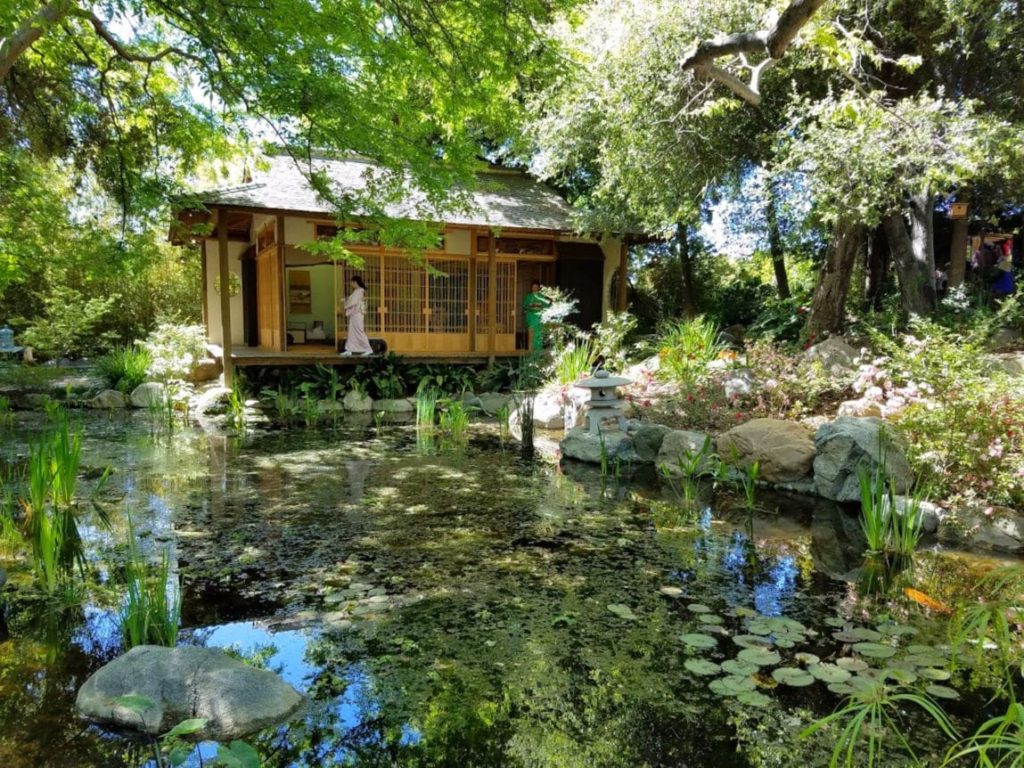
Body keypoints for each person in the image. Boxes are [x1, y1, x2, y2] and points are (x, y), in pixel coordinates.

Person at [341, 276, 373, 357]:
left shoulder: (359, 291)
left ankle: (368, 349)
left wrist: (346, 303)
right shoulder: (358, 291)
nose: (351, 284)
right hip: (355, 314)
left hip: (357, 314)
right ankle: (349, 350)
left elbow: (353, 302)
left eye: (352, 282)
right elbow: (353, 300)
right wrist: (347, 300)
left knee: (359, 331)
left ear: (355, 282)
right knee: (352, 332)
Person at [522, 281, 551, 352]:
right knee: (531, 333)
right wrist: (529, 307)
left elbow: (547, 305)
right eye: (533, 287)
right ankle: (530, 350)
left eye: (536, 287)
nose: (534, 288)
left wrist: (541, 308)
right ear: (531, 288)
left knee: (538, 334)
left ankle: (538, 350)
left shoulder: (542, 296)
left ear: (538, 288)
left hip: (539, 317)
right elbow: (524, 306)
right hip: (531, 316)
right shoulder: (528, 296)